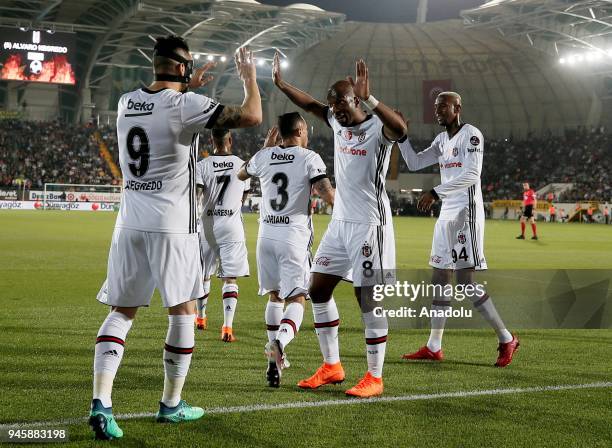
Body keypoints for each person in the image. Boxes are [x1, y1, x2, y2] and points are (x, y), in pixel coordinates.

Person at [90, 36, 261, 440]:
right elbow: (252, 115)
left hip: (129, 222)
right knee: (183, 311)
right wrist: (250, 78)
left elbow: (160, 107)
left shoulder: (126, 102)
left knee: (121, 311)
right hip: (173, 226)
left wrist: (188, 86)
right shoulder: (186, 105)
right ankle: (170, 405)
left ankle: (101, 403)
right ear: (184, 69)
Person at [272, 52, 407, 397]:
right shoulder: (335, 121)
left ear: (356, 99)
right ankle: (332, 366)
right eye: (333, 108)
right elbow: (314, 105)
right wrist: (282, 84)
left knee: (368, 298)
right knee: (317, 289)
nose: (336, 113)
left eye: (342, 106)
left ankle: (374, 377)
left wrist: (371, 98)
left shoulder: (377, 127)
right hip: (340, 222)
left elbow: (401, 130)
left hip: (369, 224)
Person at [397, 92, 519, 368]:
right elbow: (415, 162)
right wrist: (402, 138)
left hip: (466, 212)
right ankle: (433, 346)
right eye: (436, 107)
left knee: (464, 282)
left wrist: (436, 191)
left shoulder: (471, 134)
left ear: (458, 108)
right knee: (440, 277)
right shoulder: (441, 140)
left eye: (444, 106)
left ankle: (506, 338)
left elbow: (472, 174)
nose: (438, 111)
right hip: (447, 213)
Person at [238, 114, 334, 388]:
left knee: (275, 295)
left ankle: (275, 351)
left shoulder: (265, 156)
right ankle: (278, 345)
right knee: (298, 299)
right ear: (301, 130)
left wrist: (265, 149)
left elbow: (240, 173)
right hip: (293, 237)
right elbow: (326, 193)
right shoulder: (309, 157)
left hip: (265, 235)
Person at [195, 128, 251, 342]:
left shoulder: (202, 165)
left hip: (207, 225)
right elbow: (243, 197)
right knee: (230, 277)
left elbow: (198, 194)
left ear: (212, 140)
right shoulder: (242, 164)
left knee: (203, 274)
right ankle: (227, 328)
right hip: (231, 226)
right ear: (230, 140)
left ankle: (200, 318)